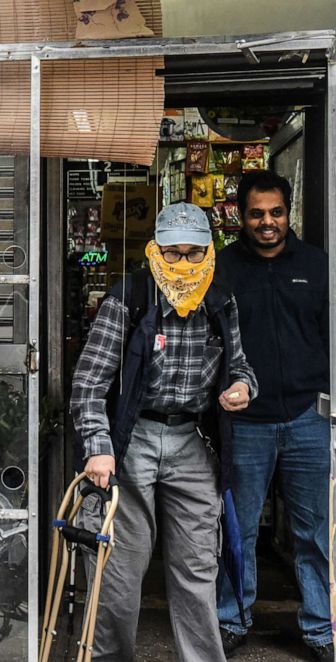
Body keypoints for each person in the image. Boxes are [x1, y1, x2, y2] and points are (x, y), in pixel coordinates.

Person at [70, 202, 258, 662]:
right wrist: (99, 447)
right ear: (155, 249)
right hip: (133, 441)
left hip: (193, 441)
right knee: (120, 567)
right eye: (172, 254)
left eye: (194, 254)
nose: (183, 264)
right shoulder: (131, 294)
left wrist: (241, 387)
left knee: (198, 566)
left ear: (209, 251)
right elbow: (89, 383)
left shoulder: (221, 297)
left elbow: (241, 367)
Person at [214, 172, 332, 659]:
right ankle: (232, 619)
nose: (268, 222)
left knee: (315, 532)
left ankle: (321, 629)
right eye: (257, 213)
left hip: (309, 416)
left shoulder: (316, 264)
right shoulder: (220, 269)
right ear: (241, 215)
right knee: (237, 530)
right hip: (245, 424)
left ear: (289, 211)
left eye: (276, 212)